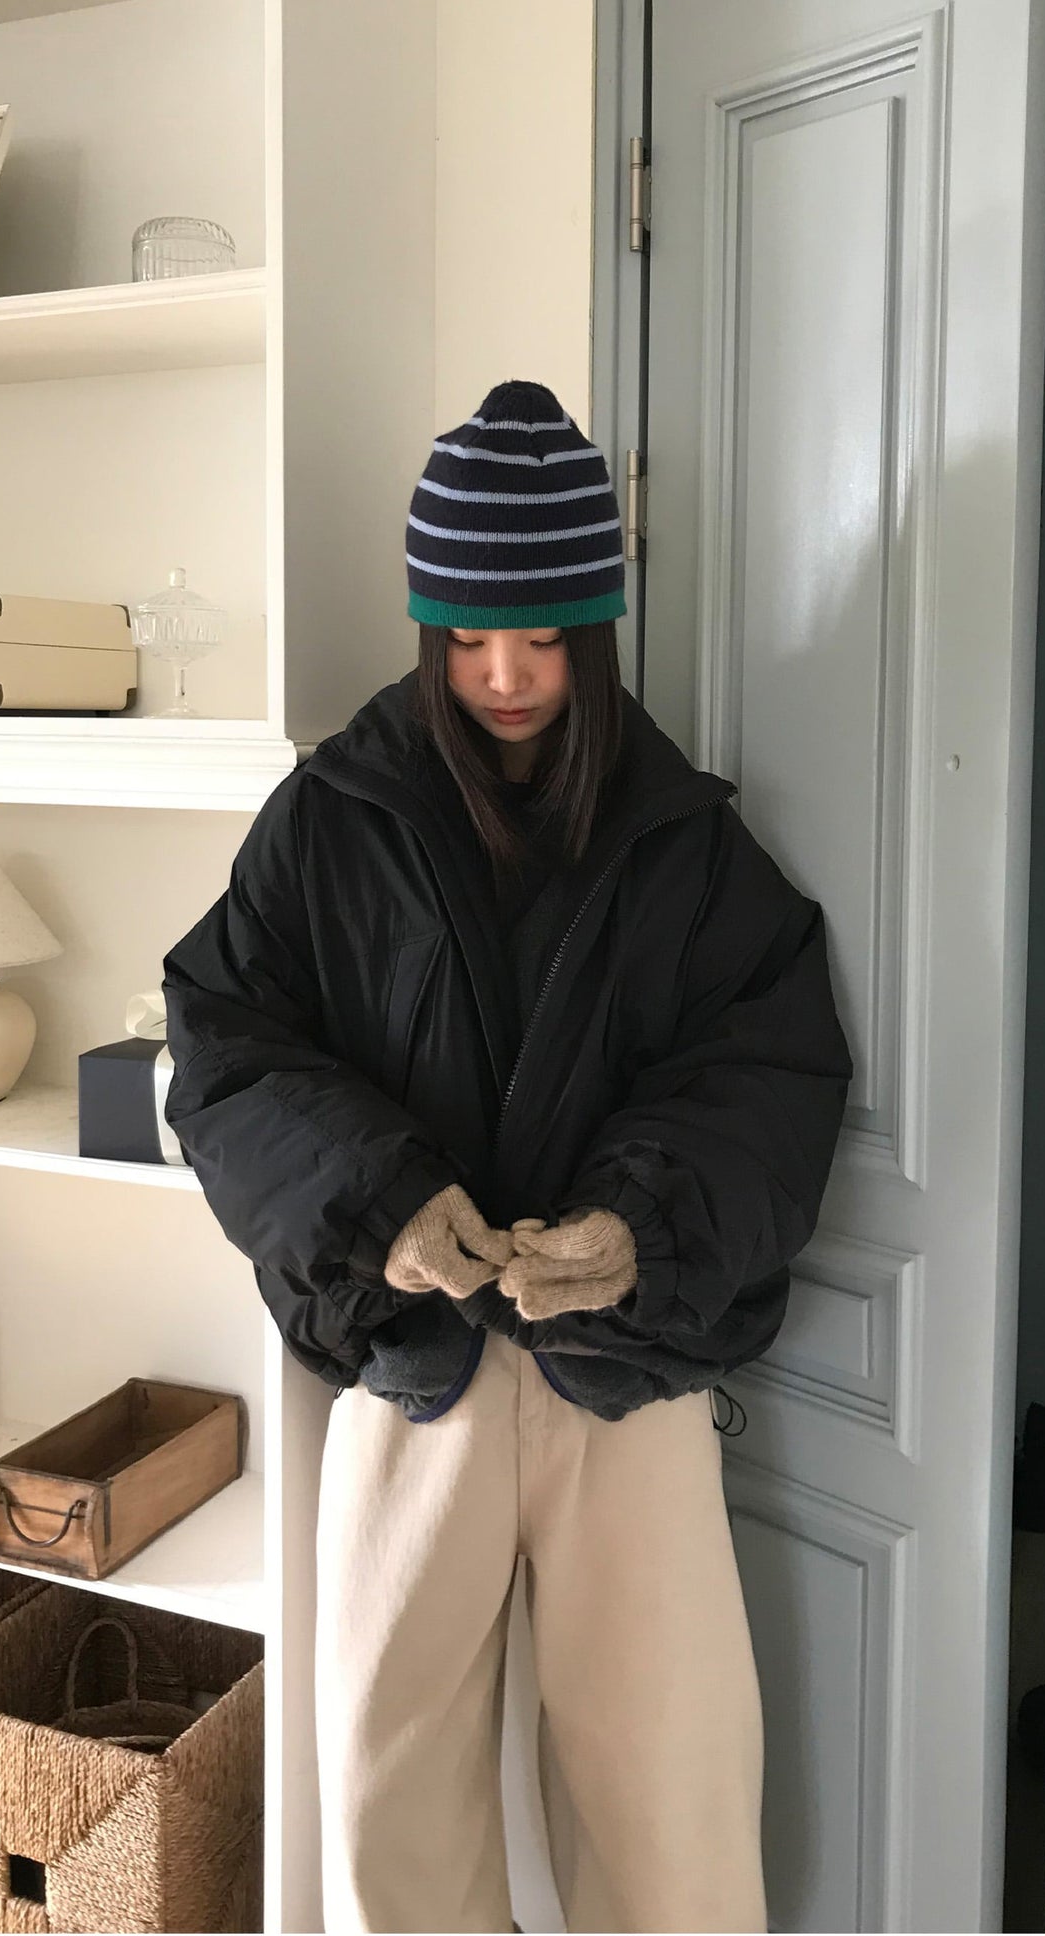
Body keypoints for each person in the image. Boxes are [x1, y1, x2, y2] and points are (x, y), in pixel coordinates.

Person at [161, 380, 853, 1934]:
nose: (505, 675)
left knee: (674, 1821)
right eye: (470, 635)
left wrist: (637, 1230)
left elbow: (775, 1072)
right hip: (417, 1371)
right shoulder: (328, 823)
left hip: (631, 1379)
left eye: (543, 637)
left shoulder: (687, 842)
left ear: (595, 629)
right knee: (387, 1811)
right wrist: (384, 1205)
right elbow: (222, 1049)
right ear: (429, 626)